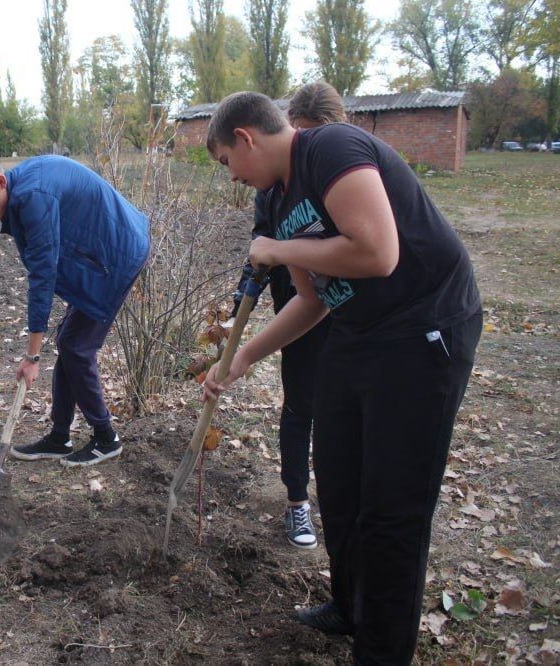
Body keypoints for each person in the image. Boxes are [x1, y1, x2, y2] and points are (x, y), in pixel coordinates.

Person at [203, 92, 481, 664]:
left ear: (246, 139)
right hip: (358, 332)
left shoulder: (331, 147)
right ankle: (350, 606)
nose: (230, 177)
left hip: (423, 328)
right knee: (339, 482)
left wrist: (279, 249)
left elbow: (378, 253)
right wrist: (242, 357)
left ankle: (382, 649)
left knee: (392, 508)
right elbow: (313, 302)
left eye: (226, 162)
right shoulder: (281, 199)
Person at [0, 155, 149, 467]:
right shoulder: (21, 193)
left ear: (1, 182)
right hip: (101, 251)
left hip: (116, 256)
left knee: (76, 346)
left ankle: (105, 437)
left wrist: (32, 357)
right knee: (69, 342)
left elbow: (43, 276)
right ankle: (60, 437)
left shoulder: (33, 198)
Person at [231, 81, 347, 550]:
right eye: (305, 135)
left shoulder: (345, 170)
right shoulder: (273, 188)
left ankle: (339, 502)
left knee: (340, 410)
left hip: (349, 303)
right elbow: (264, 242)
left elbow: (369, 248)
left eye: (320, 136)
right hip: (297, 298)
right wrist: (249, 287)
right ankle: (298, 501)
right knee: (301, 403)